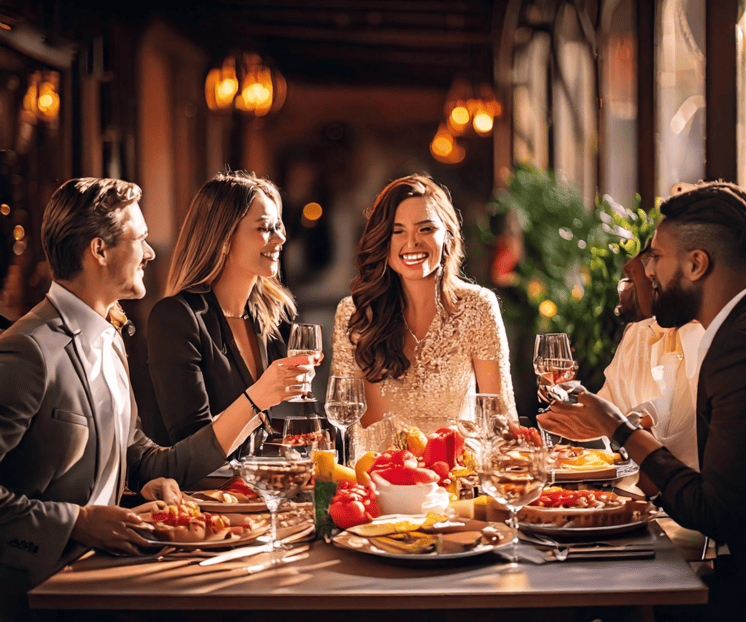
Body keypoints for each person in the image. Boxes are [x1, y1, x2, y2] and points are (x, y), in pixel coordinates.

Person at [0, 178, 310, 619]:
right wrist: (77, 521)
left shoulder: (110, 339)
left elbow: (144, 460)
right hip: (37, 596)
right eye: (140, 240)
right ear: (99, 250)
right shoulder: (28, 349)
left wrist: (151, 485)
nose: (150, 253)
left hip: (110, 579)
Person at [540, 181, 746, 620]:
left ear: (697, 263)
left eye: (656, 257)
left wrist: (620, 429)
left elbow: (714, 511)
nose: (647, 271)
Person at [332, 174, 517, 454]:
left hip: (455, 483)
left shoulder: (478, 307)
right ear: (383, 239)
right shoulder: (355, 313)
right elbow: (346, 420)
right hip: (376, 481)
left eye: (426, 228)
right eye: (398, 231)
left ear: (448, 234)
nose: (412, 243)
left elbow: (499, 419)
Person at [146, 171, 316, 453]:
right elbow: (191, 445)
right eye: (264, 228)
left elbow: (266, 434)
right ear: (223, 237)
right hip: (200, 494)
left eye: (279, 226)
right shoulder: (177, 318)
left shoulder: (271, 315)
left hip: (256, 487)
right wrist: (262, 394)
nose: (280, 238)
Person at [597, 242, 705, 469]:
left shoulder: (713, 339)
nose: (630, 270)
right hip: (628, 494)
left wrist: (628, 424)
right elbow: (604, 413)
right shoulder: (636, 335)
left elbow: (675, 424)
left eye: (631, 277)